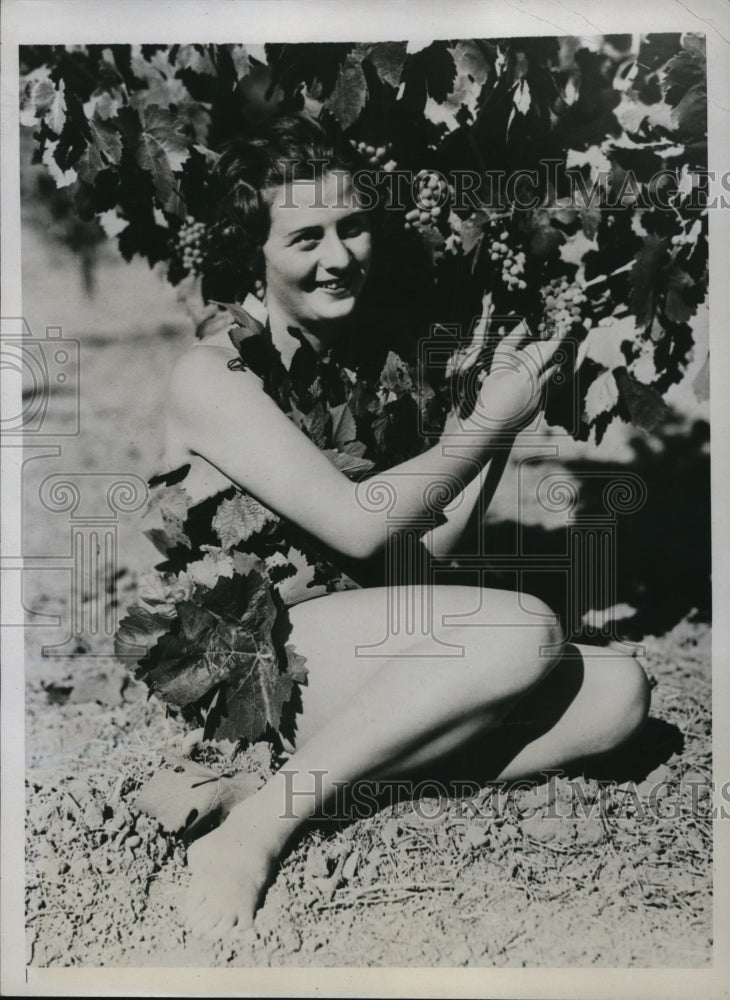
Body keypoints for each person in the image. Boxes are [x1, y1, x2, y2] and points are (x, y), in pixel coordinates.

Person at [154, 114, 650, 939]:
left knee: (619, 695)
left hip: (332, 653)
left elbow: (413, 558)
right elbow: (355, 525)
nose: (341, 255)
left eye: (352, 226)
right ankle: (259, 827)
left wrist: (501, 419)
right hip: (246, 669)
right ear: (253, 254)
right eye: (305, 237)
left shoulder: (349, 366)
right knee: (524, 631)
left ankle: (322, 777)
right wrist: (483, 428)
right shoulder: (210, 375)